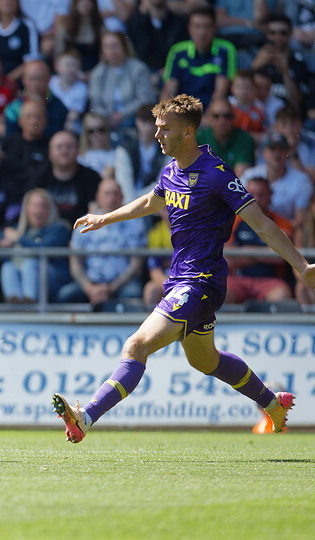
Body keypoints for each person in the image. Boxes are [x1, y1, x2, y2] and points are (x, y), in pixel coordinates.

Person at [52, 94, 315, 444]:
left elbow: (262, 224)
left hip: (201, 281)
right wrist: (105, 218)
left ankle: (85, 418)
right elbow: (150, 200)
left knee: (136, 346)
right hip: (182, 279)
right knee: (205, 361)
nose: (157, 135)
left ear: (188, 132)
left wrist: (300, 265)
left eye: (165, 129)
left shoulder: (216, 174)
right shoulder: (171, 170)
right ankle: (272, 402)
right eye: (157, 128)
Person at [56, 178, 145, 304]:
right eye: (107, 194)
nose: (111, 198)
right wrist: (90, 288)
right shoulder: (84, 223)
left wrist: (111, 288)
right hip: (89, 283)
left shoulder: (134, 224)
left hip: (122, 284)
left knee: (133, 294)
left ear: (122, 197)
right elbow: (75, 263)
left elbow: (136, 265)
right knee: (65, 296)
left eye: (115, 194)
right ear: (98, 197)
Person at [0, 187, 71, 303]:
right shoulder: (22, 230)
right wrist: (1, 242)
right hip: (22, 277)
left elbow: (43, 248)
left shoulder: (59, 229)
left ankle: (29, 303)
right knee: (8, 267)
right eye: (34, 206)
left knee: (30, 263)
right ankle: (15, 304)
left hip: (53, 280)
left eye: (43, 206)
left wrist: (18, 238)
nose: (38, 210)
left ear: (50, 209)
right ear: (27, 209)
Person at [225, 177, 294, 304]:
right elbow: (228, 258)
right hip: (237, 279)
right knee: (220, 294)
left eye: (261, 194)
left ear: (270, 196)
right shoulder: (233, 221)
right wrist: (264, 253)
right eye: (251, 195)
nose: (256, 199)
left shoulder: (283, 223)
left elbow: (280, 257)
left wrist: (243, 251)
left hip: (270, 280)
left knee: (282, 296)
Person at [161, 6, 236, 110]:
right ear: (189, 28)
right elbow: (169, 91)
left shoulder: (225, 49)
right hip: (183, 112)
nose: (202, 32)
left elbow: (220, 94)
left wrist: (205, 120)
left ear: (215, 28)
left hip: (212, 113)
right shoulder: (177, 51)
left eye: (207, 26)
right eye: (197, 26)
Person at [88, 31, 156, 131]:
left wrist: (122, 114)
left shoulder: (138, 68)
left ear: (124, 47)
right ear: (103, 50)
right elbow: (95, 103)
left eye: (115, 45)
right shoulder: (97, 73)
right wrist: (107, 117)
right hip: (106, 120)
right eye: (107, 46)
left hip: (133, 119)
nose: (111, 50)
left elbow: (146, 98)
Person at [30, 130, 101, 225]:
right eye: (59, 147)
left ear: (77, 151)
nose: (64, 151)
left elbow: (95, 212)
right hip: (46, 232)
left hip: (81, 232)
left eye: (69, 146)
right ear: (50, 153)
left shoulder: (91, 177)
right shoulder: (39, 176)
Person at [195, 98, 255, 176]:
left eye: (227, 116)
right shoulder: (198, 139)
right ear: (209, 119)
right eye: (216, 116)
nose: (222, 121)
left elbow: (239, 178)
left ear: (233, 118)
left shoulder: (245, 140)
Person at [77, 112, 116, 176]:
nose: (97, 134)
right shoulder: (79, 156)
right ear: (85, 134)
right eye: (91, 131)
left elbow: (106, 177)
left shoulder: (114, 154)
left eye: (101, 130)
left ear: (106, 130)